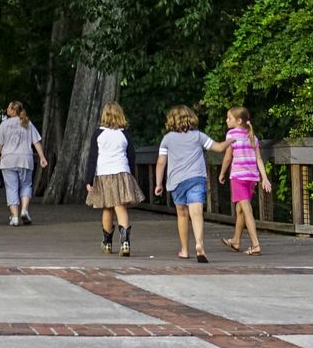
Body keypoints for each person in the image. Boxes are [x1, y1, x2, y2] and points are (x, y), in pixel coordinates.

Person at [153, 104, 227, 262]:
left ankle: (185, 250)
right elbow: (219, 148)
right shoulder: (198, 136)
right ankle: (199, 245)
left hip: (177, 182)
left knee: (182, 214)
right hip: (196, 179)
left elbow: (161, 162)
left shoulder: (167, 139)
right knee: (197, 213)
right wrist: (231, 140)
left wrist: (158, 183)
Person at [83, 101, 142, 255]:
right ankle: (125, 243)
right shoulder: (125, 134)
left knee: (108, 208)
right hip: (122, 172)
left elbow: (92, 158)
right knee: (120, 206)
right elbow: (131, 156)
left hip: (104, 174)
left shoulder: (98, 134)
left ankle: (107, 243)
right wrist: (131, 175)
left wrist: (89, 180)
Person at [219, 106, 272, 255]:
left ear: (239, 120)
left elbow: (228, 156)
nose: (226, 120)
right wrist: (264, 178)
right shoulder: (252, 135)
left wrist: (222, 173)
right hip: (251, 178)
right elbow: (259, 159)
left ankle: (255, 245)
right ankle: (235, 241)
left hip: (238, 177)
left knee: (246, 210)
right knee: (240, 209)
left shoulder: (231, 134)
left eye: (229, 118)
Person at [0, 100, 48, 226]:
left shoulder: (4, 124)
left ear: (13, 110)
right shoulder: (27, 123)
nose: (7, 109)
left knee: (11, 188)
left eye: (8, 107)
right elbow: (36, 142)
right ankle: (24, 210)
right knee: (26, 186)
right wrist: (42, 157)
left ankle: (15, 216)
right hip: (25, 159)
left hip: (8, 160)